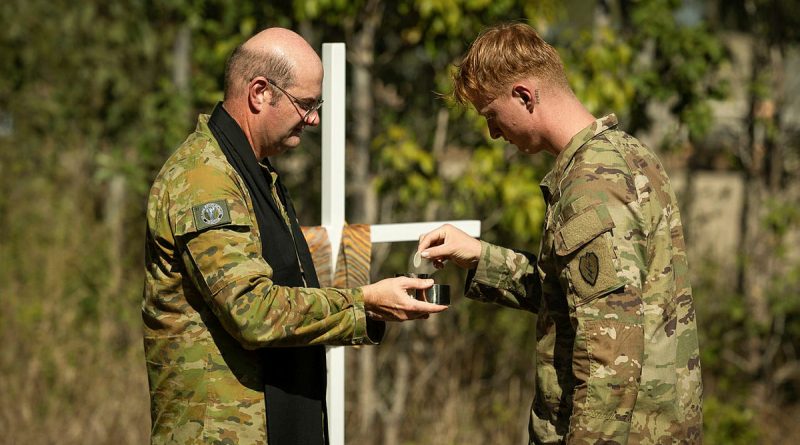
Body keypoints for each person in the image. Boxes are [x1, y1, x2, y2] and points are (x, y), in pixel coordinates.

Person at [142, 27, 447, 445]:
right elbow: (251, 310)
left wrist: (370, 311)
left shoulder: (254, 173)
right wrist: (362, 303)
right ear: (259, 92)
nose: (314, 117)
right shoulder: (204, 179)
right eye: (305, 104)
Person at [417, 23, 702, 444]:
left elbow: (610, 356)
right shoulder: (630, 153)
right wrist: (481, 257)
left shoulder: (591, 184)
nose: (494, 133)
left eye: (492, 116)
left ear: (524, 96)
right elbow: (577, 300)